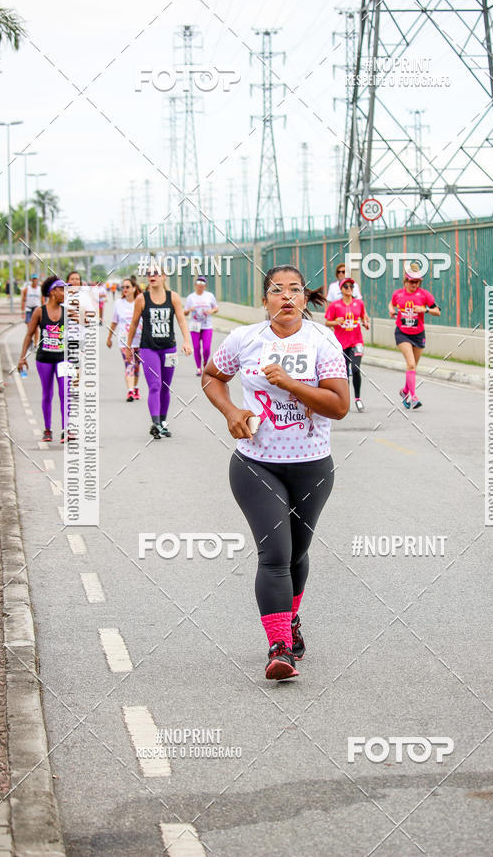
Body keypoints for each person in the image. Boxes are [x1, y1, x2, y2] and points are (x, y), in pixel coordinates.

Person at [203, 264, 349, 681]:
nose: (286, 297)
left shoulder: (323, 340)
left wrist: (290, 384)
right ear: (264, 300)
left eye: (294, 290)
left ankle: (291, 620)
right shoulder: (244, 338)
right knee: (275, 556)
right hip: (256, 462)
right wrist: (231, 411)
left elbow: (338, 405)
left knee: (298, 553)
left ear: (305, 299)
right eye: (276, 290)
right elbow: (212, 376)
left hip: (313, 467)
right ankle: (279, 646)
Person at [126, 269, 192, 439]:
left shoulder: (173, 297)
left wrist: (187, 340)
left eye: (156, 273)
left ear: (164, 277)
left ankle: (162, 422)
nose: (152, 276)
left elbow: (181, 320)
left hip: (169, 348)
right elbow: (133, 324)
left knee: (165, 387)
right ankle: (155, 423)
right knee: (154, 385)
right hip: (148, 348)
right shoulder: (142, 299)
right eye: (149, 273)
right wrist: (128, 346)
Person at [17, 275, 66, 443]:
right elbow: (29, 335)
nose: (65, 293)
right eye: (62, 290)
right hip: (44, 359)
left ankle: (65, 429)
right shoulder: (39, 311)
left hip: (62, 358)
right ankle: (47, 429)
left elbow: (75, 337)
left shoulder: (67, 312)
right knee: (47, 394)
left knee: (64, 393)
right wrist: (22, 358)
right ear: (53, 292)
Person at [389, 260, 441, 410]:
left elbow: (437, 311)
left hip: (418, 334)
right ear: (406, 280)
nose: (415, 284)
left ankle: (405, 391)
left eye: (417, 282)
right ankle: (413, 397)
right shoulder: (398, 294)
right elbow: (391, 304)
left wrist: (424, 310)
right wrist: (391, 310)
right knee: (411, 364)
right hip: (402, 333)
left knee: (412, 368)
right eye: (412, 281)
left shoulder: (424, 295)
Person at [325, 275, 369, 411]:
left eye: (351, 286)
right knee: (343, 372)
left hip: (356, 341)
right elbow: (327, 322)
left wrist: (365, 323)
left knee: (356, 369)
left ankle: (358, 398)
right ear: (341, 289)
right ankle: (346, 399)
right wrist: (335, 322)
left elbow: (364, 317)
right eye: (346, 286)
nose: (349, 289)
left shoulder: (359, 303)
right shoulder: (335, 305)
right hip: (341, 344)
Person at [106, 277, 142, 401]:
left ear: (134, 288)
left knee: (136, 367)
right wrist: (109, 337)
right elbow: (114, 322)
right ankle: (130, 391)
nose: (125, 289)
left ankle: (136, 387)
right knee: (129, 364)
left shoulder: (140, 302)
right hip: (124, 341)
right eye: (123, 287)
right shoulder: (118, 303)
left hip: (139, 340)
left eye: (127, 287)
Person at [184, 276, 218, 376]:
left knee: (206, 348)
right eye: (199, 284)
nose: (200, 286)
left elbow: (216, 308)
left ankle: (205, 364)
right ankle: (198, 368)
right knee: (196, 347)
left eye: (203, 284)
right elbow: (184, 312)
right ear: (195, 285)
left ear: (205, 286)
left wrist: (211, 311)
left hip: (207, 325)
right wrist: (189, 310)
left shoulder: (209, 296)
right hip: (195, 326)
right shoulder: (191, 297)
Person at [21, 274, 43, 346]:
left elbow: (42, 300)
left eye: (36, 279)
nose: (35, 280)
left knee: (36, 328)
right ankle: (30, 339)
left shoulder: (40, 289)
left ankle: (35, 343)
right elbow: (23, 300)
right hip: (29, 309)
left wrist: (43, 311)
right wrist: (22, 311)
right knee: (29, 327)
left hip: (37, 309)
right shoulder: (26, 289)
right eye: (33, 279)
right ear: (31, 280)